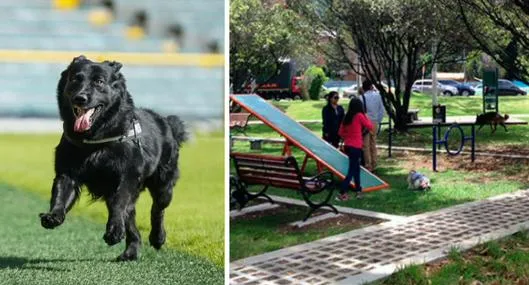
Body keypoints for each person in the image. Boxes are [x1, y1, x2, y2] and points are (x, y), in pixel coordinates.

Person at [337, 98, 374, 201]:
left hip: (347, 146)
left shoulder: (347, 117)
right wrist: (365, 116)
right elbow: (370, 126)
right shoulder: (359, 116)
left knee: (356, 169)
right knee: (352, 170)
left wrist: (348, 136)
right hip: (356, 146)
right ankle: (342, 192)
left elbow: (340, 132)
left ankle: (358, 191)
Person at [359, 79, 385, 171]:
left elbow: (360, 112)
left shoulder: (362, 98)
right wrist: (378, 120)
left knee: (365, 145)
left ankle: (368, 165)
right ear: (371, 86)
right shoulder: (378, 96)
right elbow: (382, 110)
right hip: (374, 122)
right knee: (373, 143)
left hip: (365, 123)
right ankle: (374, 163)